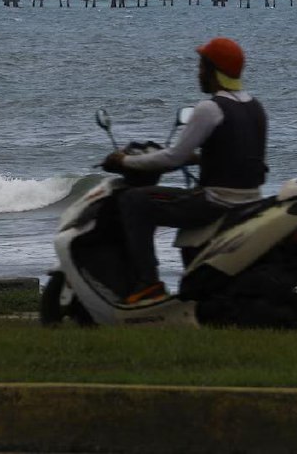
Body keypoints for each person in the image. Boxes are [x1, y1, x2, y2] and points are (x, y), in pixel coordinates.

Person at [102, 37, 268, 305]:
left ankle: (149, 283)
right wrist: (200, 159)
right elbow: (237, 153)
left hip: (216, 201)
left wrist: (125, 161)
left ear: (213, 71)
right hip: (251, 199)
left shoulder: (210, 108)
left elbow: (172, 158)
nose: (198, 73)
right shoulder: (255, 106)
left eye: (201, 67)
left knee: (134, 201)